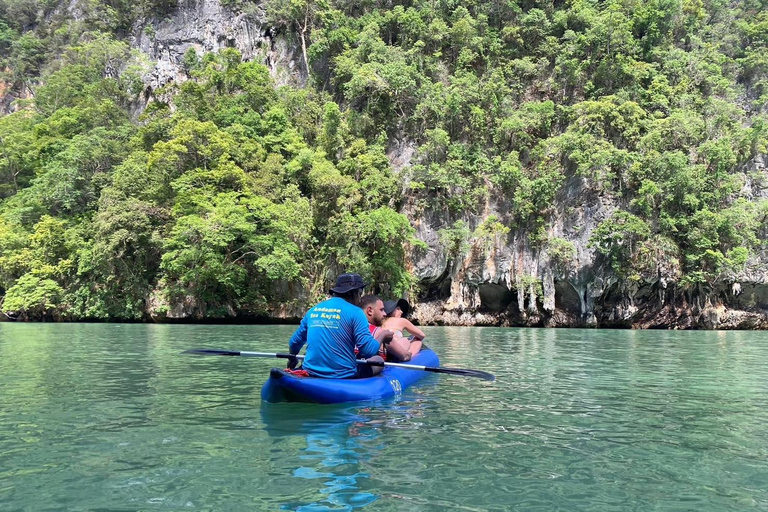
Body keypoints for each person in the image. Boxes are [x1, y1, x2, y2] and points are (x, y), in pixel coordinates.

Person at [288, 273, 392, 378]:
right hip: (343, 375)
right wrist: (383, 335)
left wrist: (292, 358)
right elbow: (368, 351)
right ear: (354, 293)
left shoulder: (313, 310)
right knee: (378, 360)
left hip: (310, 371)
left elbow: (294, 343)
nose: (360, 300)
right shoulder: (356, 312)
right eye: (360, 294)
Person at [360, 294, 412, 362]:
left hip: (351, 366)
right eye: (381, 310)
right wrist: (410, 353)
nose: (385, 314)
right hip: (372, 368)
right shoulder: (380, 332)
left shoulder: (348, 328)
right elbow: (405, 356)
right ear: (370, 311)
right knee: (408, 341)